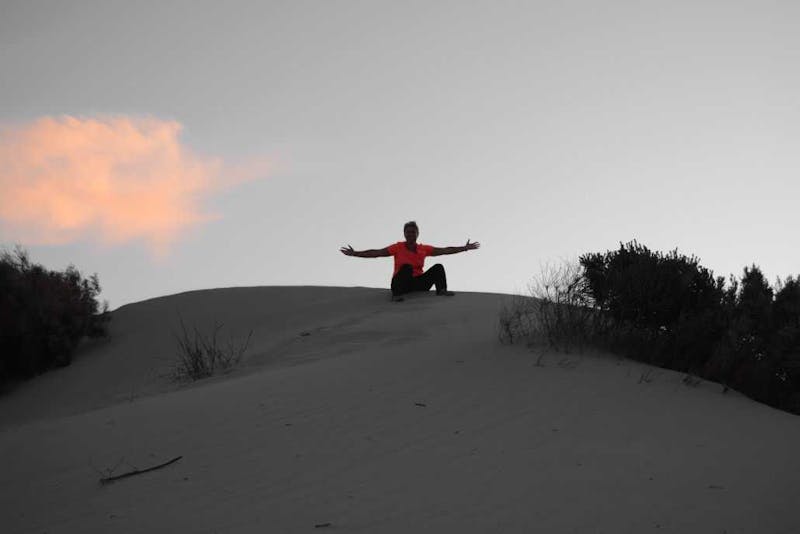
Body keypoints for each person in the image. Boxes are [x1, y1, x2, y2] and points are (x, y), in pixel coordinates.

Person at [340, 220, 480, 301]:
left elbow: (444, 250)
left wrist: (464, 248)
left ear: (417, 234)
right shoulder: (398, 247)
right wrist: (355, 253)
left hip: (418, 283)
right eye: (408, 232)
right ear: (404, 234)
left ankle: (441, 290)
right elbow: (377, 253)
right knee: (406, 267)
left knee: (438, 267)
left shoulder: (423, 249)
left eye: (413, 232)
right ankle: (396, 296)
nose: (410, 234)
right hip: (401, 284)